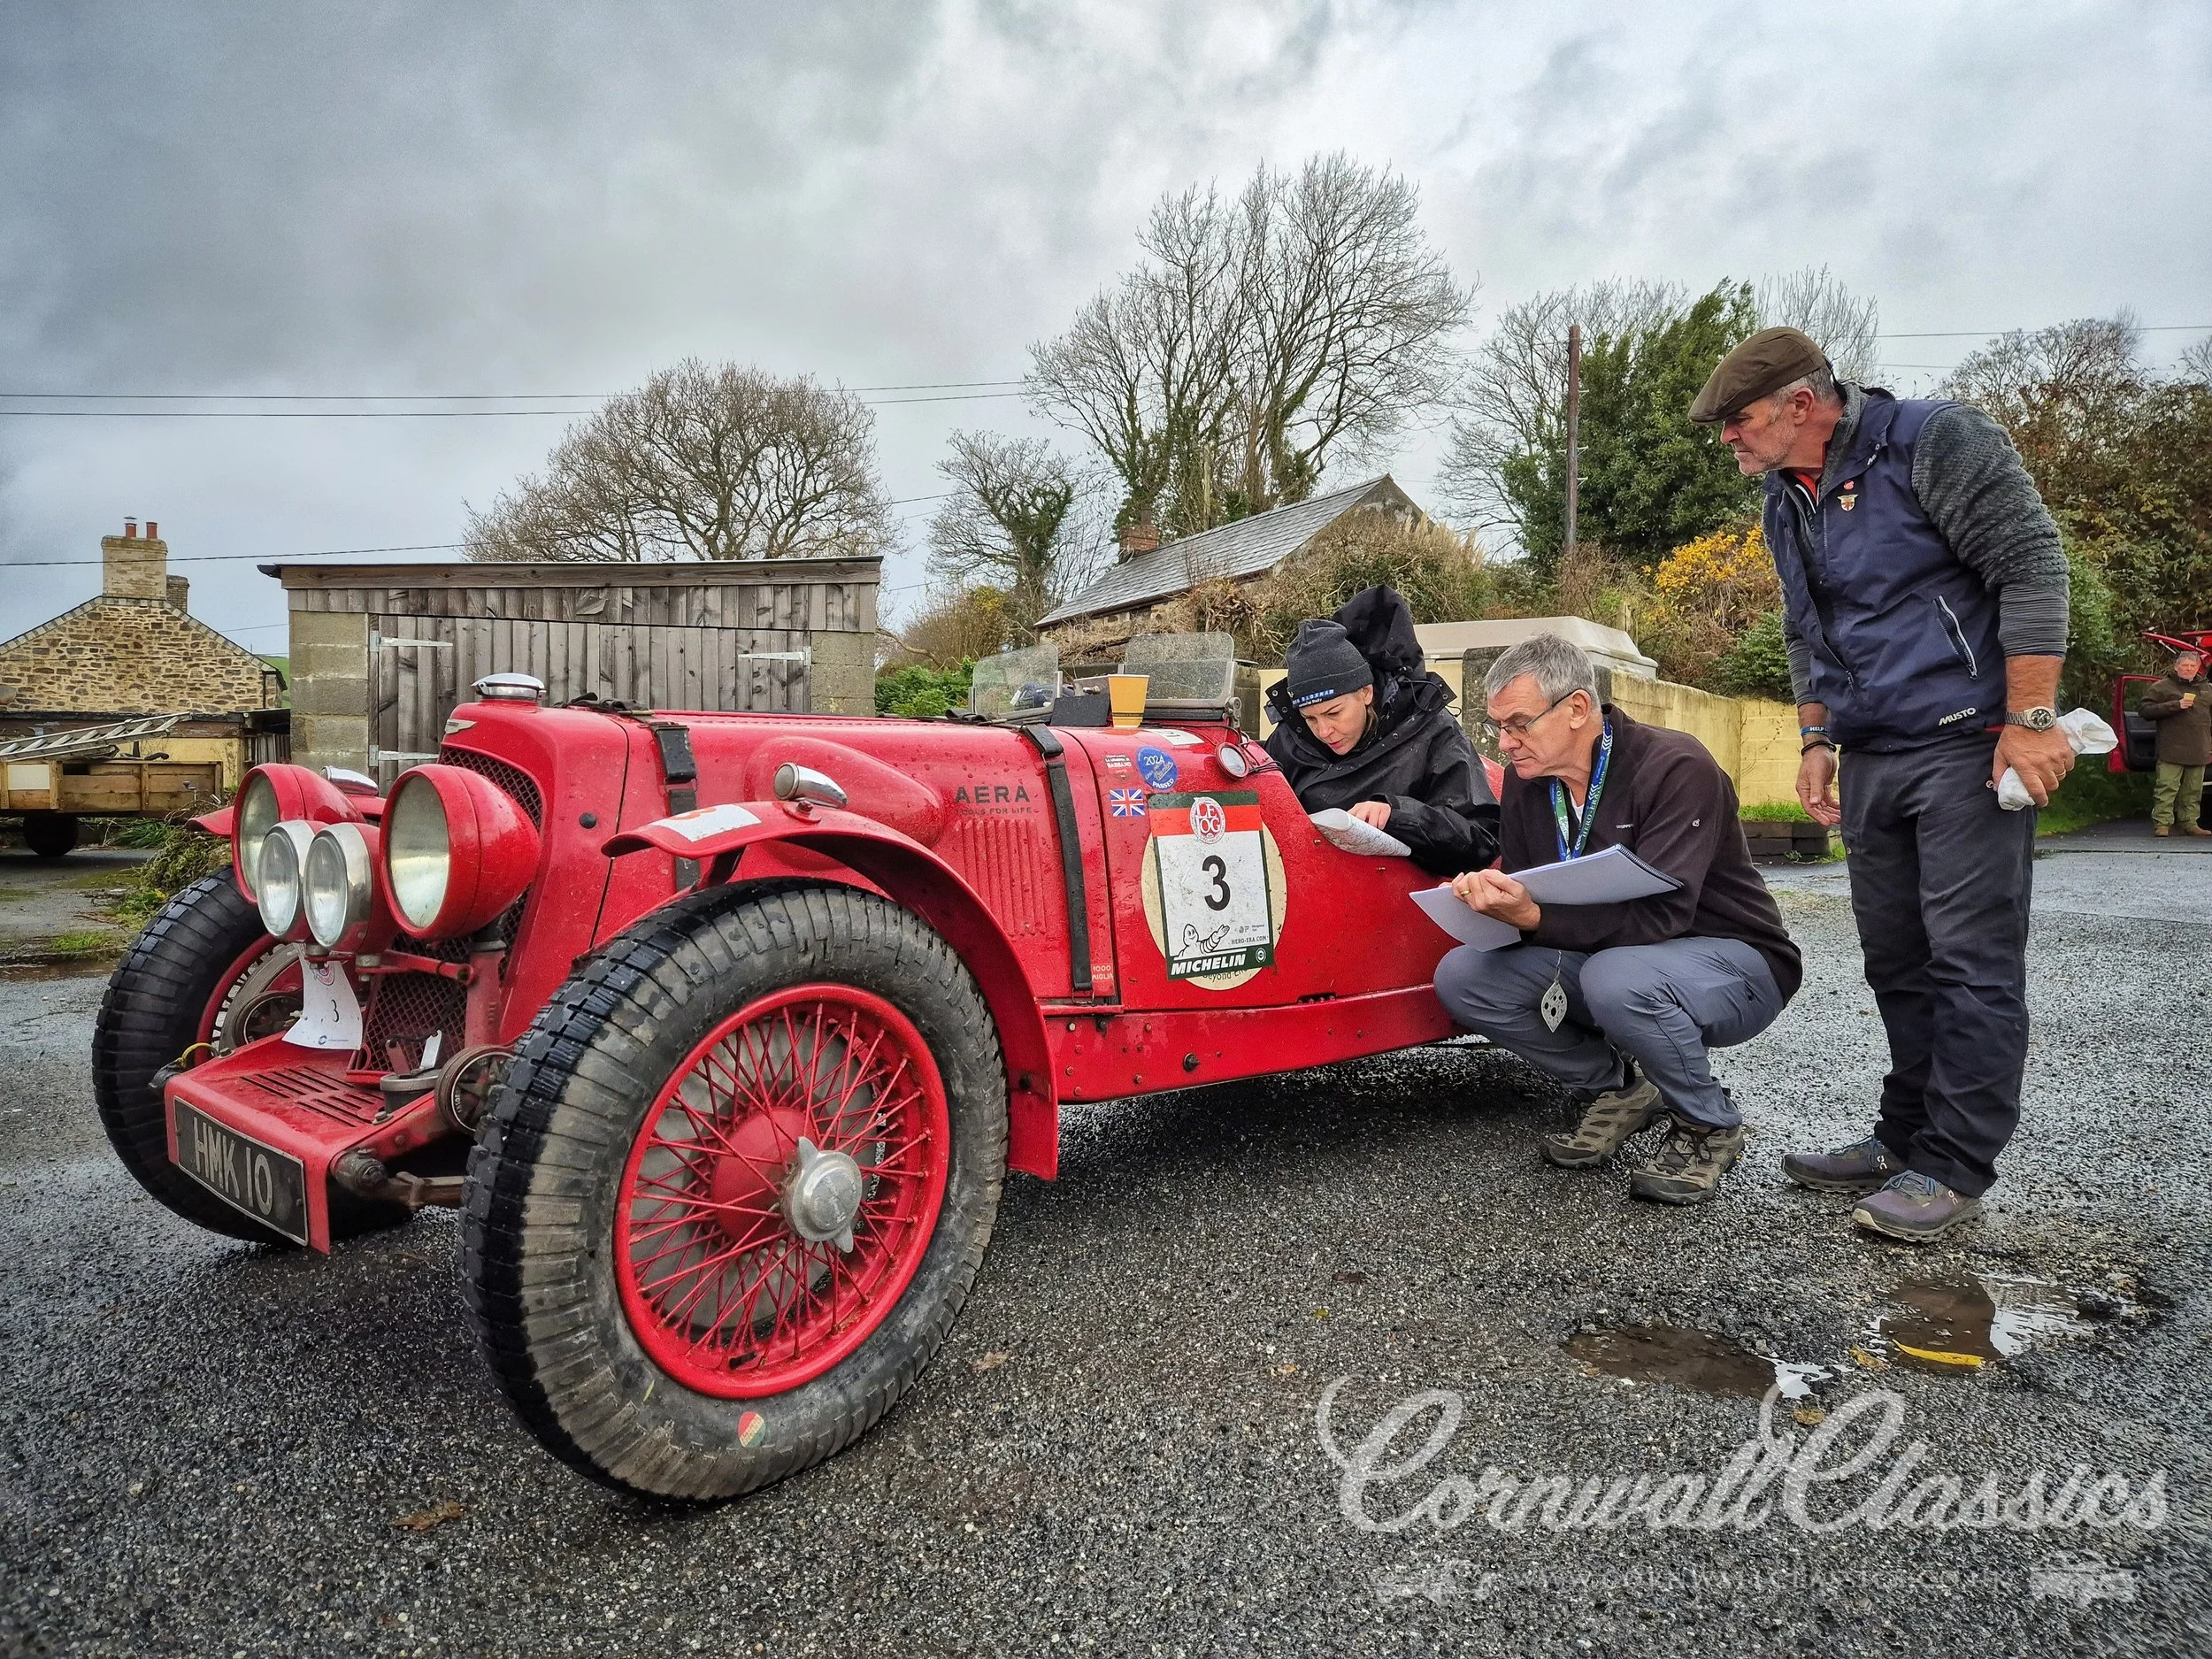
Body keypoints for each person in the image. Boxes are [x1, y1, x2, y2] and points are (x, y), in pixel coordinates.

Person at [1690, 326, 2074, 1242]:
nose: (1727, 440)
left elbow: (2029, 566)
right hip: (1871, 751)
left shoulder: (1935, 442)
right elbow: (1803, 627)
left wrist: (2027, 721)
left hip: (1965, 742)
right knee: (1896, 959)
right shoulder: (1787, 498)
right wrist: (1817, 736)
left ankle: (1954, 1164)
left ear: (1799, 404)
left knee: (1968, 962)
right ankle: (1902, 1138)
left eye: (1736, 421)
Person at [1431, 634, 1801, 1205]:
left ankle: (1709, 1123)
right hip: (1612, 957)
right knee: (1463, 976)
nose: (1505, 744)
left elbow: (1666, 913)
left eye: (1519, 724)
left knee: (1616, 978)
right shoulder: (1530, 788)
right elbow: (1541, 901)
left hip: (1732, 959)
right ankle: (1618, 1086)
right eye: (1497, 726)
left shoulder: (1675, 767)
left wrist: (1531, 915)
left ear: (1578, 709)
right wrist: (1493, 905)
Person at [1263, 584, 1499, 875]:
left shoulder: (1433, 732)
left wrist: (1397, 814)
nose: (1323, 731)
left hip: (1398, 904)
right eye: (1310, 719)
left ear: (1365, 693)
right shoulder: (1288, 739)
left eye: (1334, 713)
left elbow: (1480, 841)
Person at [2139, 649, 2209, 837]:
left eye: (2192, 666)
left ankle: (2190, 823)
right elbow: (2145, 711)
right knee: (2166, 788)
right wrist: (2175, 705)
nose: (2188, 669)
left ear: (2198, 668)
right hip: (2171, 748)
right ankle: (2162, 824)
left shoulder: (2207, 689)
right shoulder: (2162, 687)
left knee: (2193, 791)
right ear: (2176, 667)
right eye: (2184, 665)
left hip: (2199, 748)